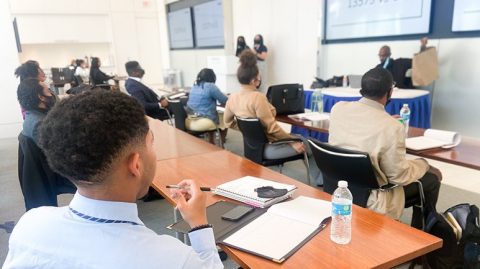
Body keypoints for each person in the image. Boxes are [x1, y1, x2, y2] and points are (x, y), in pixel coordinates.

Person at [3, 90, 223, 269]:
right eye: (150, 143)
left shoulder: (30, 225)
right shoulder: (171, 258)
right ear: (136, 164)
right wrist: (199, 223)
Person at [328, 67, 441, 227]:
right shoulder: (392, 127)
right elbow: (399, 176)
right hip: (374, 199)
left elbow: (363, 122)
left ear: (362, 90)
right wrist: (423, 164)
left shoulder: (338, 108)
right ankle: (421, 235)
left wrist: (386, 119)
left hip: (340, 187)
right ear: (390, 92)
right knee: (432, 178)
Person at [224, 50, 322, 185]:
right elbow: (273, 129)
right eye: (259, 77)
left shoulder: (232, 98)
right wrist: (292, 140)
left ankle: (320, 180)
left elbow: (227, 123)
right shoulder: (258, 97)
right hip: (269, 149)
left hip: (251, 150)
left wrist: (248, 131)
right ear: (254, 81)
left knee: (302, 140)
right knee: (307, 143)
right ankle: (321, 182)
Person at [187, 68, 228, 144]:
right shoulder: (210, 86)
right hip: (203, 121)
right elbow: (224, 100)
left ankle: (211, 142)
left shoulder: (194, 86)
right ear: (212, 77)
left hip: (190, 119)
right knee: (224, 119)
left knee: (211, 113)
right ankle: (221, 145)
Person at [17, 79, 56, 144]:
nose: (51, 95)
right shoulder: (39, 124)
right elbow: (58, 149)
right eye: (48, 91)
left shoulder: (31, 114)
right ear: (41, 97)